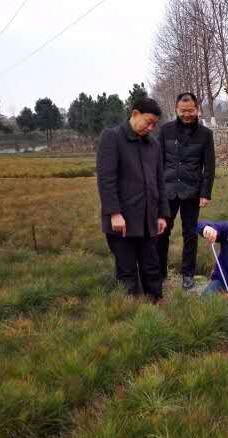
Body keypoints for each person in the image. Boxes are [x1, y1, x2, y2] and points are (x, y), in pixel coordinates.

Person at [96, 97, 169, 301]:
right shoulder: (112, 137)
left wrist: (162, 214)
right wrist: (114, 213)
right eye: (148, 122)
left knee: (151, 265)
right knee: (126, 269)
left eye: (154, 124)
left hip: (148, 219)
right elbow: (106, 179)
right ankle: (131, 309)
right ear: (135, 114)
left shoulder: (153, 144)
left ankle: (156, 302)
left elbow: (160, 181)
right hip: (122, 221)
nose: (151, 128)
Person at [157, 92, 216, 290]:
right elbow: (158, 161)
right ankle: (160, 272)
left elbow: (209, 166)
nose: (187, 115)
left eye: (190, 111)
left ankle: (188, 274)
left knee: (190, 234)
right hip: (167, 191)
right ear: (177, 109)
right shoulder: (165, 131)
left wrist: (205, 193)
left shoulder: (205, 134)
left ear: (197, 109)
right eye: (183, 111)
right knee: (162, 231)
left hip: (192, 191)